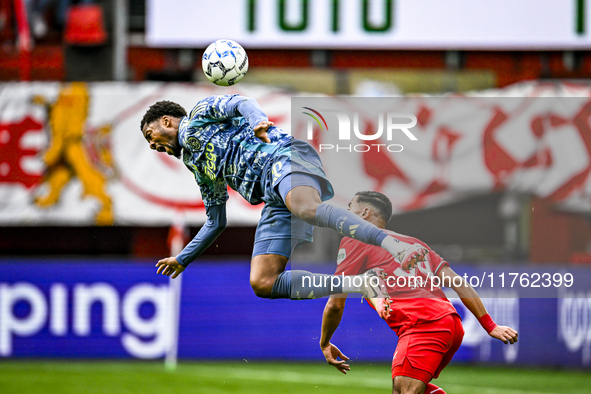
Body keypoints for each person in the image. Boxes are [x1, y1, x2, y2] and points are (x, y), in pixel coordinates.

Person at [140, 95, 422, 304]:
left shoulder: (200, 114)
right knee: (263, 282)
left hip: (283, 157)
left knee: (306, 208)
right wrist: (183, 258)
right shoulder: (198, 164)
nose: (153, 145)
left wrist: (258, 122)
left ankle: (392, 244)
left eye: (151, 136)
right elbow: (216, 221)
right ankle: (361, 284)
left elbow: (240, 102)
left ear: (166, 121)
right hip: (271, 195)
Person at [319, 191, 519, 394]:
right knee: (412, 389)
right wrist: (489, 325)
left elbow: (336, 303)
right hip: (451, 325)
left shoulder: (356, 239)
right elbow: (458, 282)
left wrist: (325, 343)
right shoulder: (416, 244)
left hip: (423, 325)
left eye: (350, 207)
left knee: (404, 391)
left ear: (364, 213)